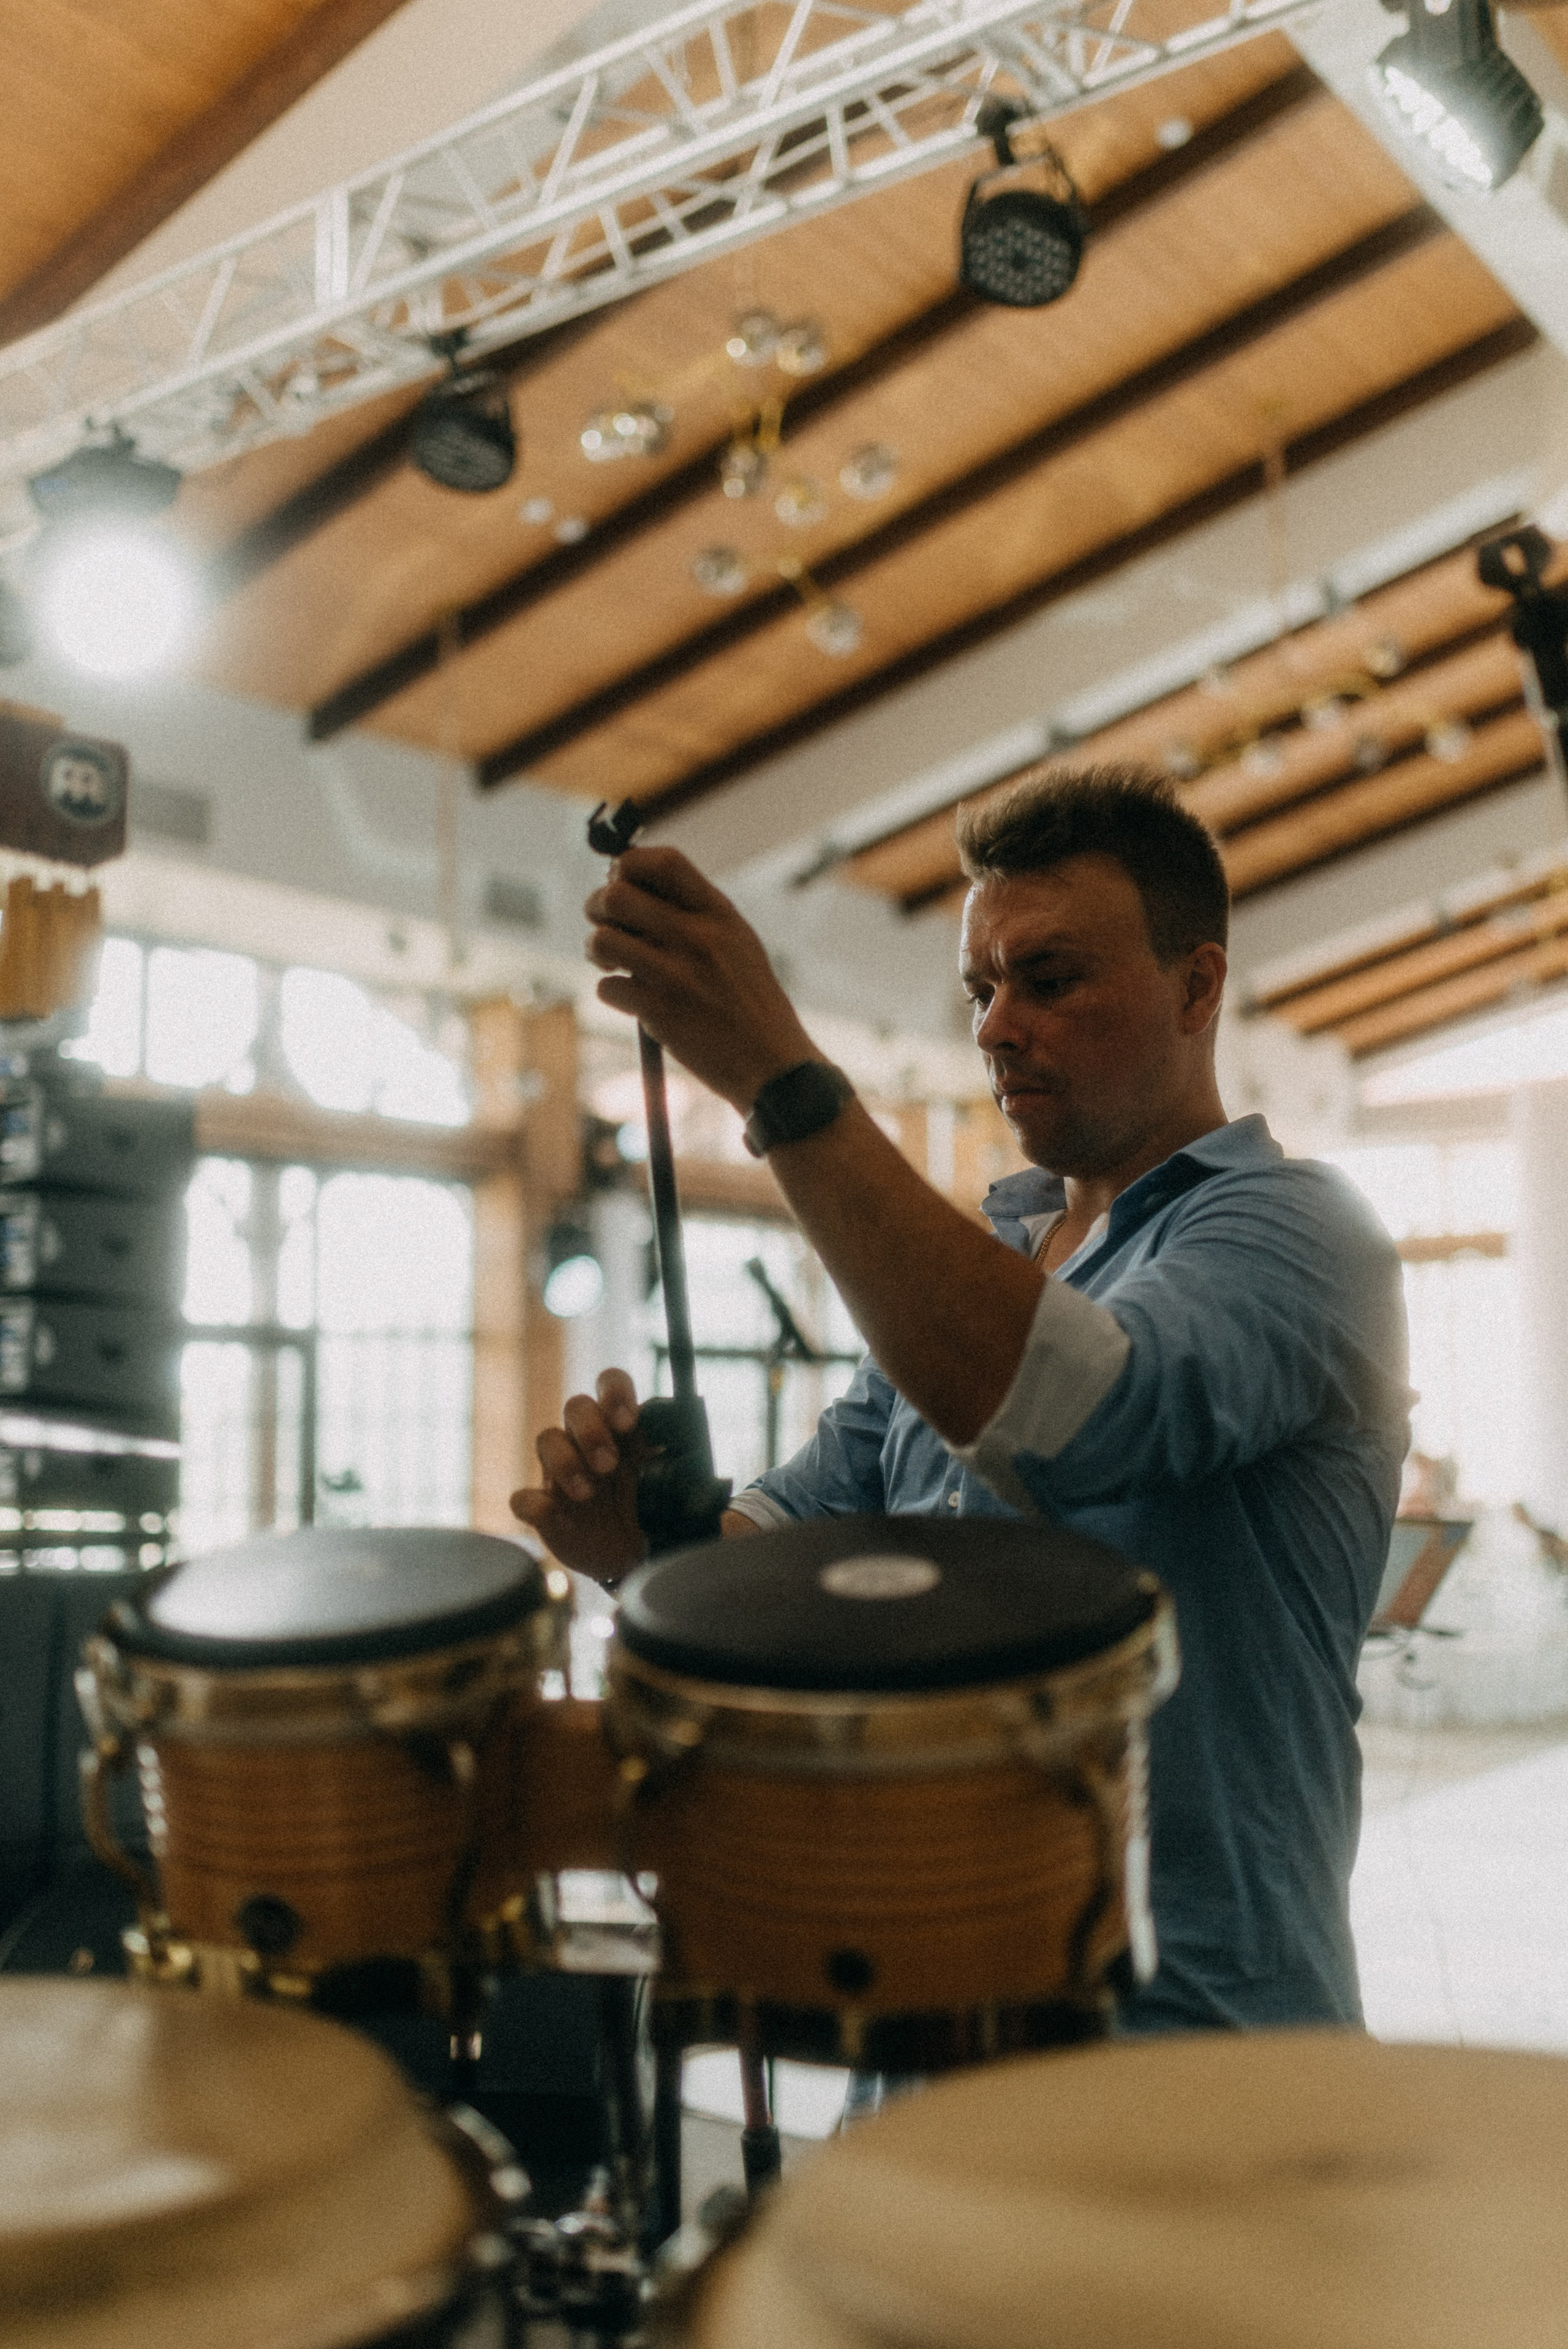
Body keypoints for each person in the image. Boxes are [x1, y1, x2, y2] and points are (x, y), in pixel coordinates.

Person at [512, 766, 1411, 2035]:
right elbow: (785, 1571)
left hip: (1194, 2052)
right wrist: (640, 1552)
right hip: (924, 2017)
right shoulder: (969, 1285)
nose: (994, 1026)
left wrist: (781, 1080)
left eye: (1047, 980)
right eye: (980, 989)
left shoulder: (1298, 1233)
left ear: (1195, 986)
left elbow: (1074, 1410)